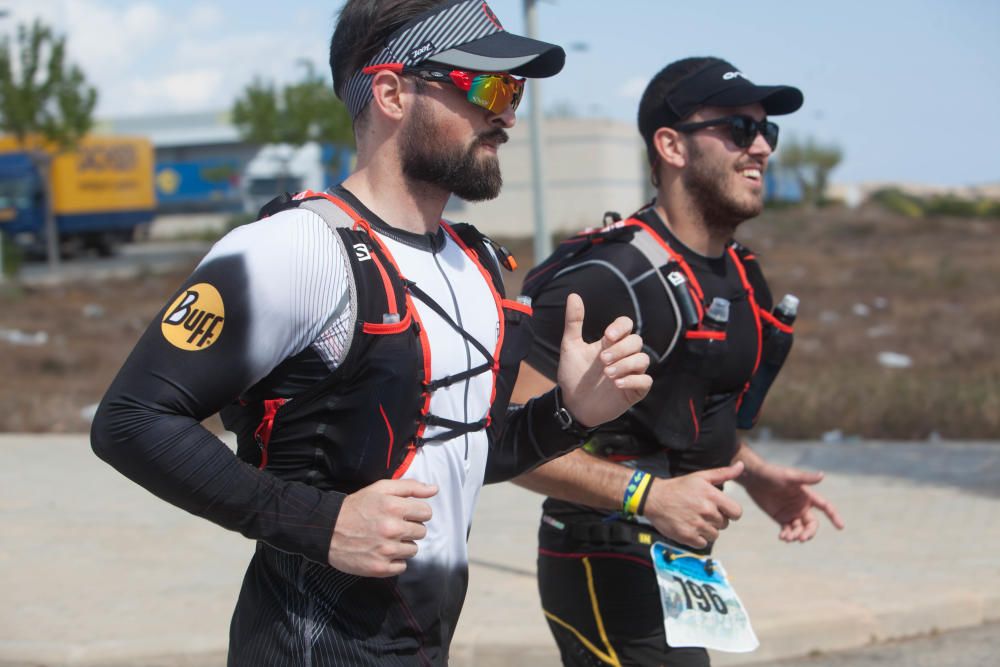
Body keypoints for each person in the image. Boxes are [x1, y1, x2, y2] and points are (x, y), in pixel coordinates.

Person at [90, 1, 654, 664]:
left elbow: (461, 453)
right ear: (390, 92)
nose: (506, 113)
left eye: (516, 90)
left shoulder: (472, 264)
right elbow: (129, 419)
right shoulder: (297, 248)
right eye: (487, 85)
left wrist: (569, 413)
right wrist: (321, 522)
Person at [511, 57, 846, 667]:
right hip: (599, 557)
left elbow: (673, 415)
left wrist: (751, 471)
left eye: (769, 131)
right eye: (740, 130)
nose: (763, 147)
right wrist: (648, 495)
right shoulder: (609, 278)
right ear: (671, 146)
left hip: (680, 566)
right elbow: (509, 438)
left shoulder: (744, 275)